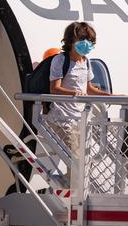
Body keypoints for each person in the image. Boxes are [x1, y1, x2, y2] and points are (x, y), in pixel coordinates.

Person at [46, 21, 112, 160]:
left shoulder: (86, 61)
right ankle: (69, 182)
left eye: (90, 40)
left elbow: (89, 89)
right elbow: (54, 88)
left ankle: (68, 182)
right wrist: (74, 94)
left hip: (79, 119)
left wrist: (110, 95)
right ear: (71, 40)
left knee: (81, 161)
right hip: (62, 118)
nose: (87, 43)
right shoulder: (60, 60)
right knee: (77, 160)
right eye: (83, 39)